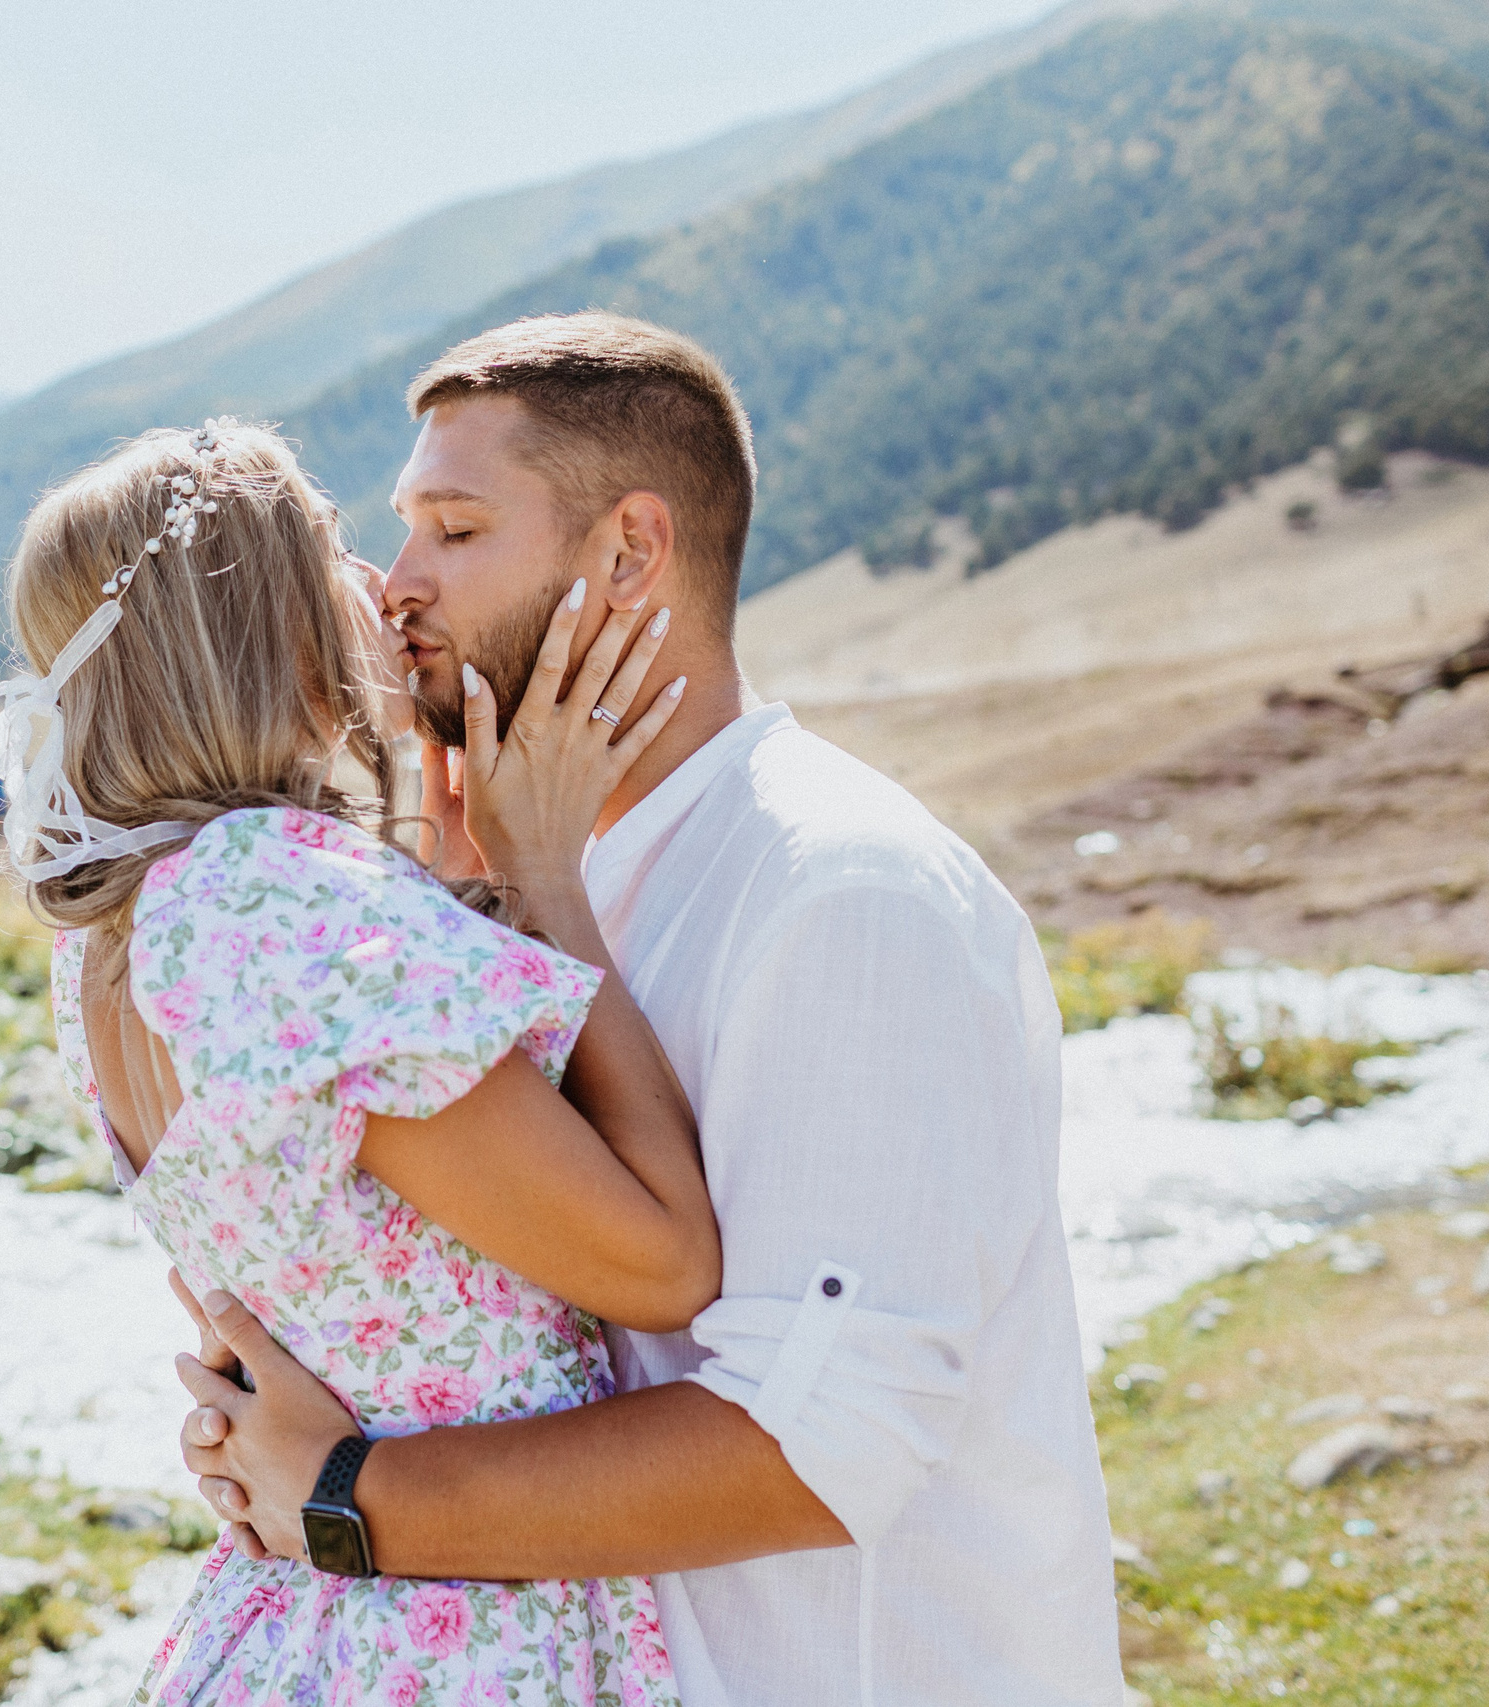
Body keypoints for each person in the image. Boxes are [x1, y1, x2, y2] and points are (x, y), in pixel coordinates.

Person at [173, 314, 1126, 1705]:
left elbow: (819, 1439)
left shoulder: (843, 891)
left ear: (628, 553)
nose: (392, 587)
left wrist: (348, 1493)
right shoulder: (563, 879)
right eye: (403, 530)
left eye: (453, 528)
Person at [0, 417, 728, 1704]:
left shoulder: (118, 934)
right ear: (272, 629)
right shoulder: (274, 898)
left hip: (306, 1613)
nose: (379, 586)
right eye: (339, 549)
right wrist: (549, 883)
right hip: (463, 1628)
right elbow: (663, 1264)